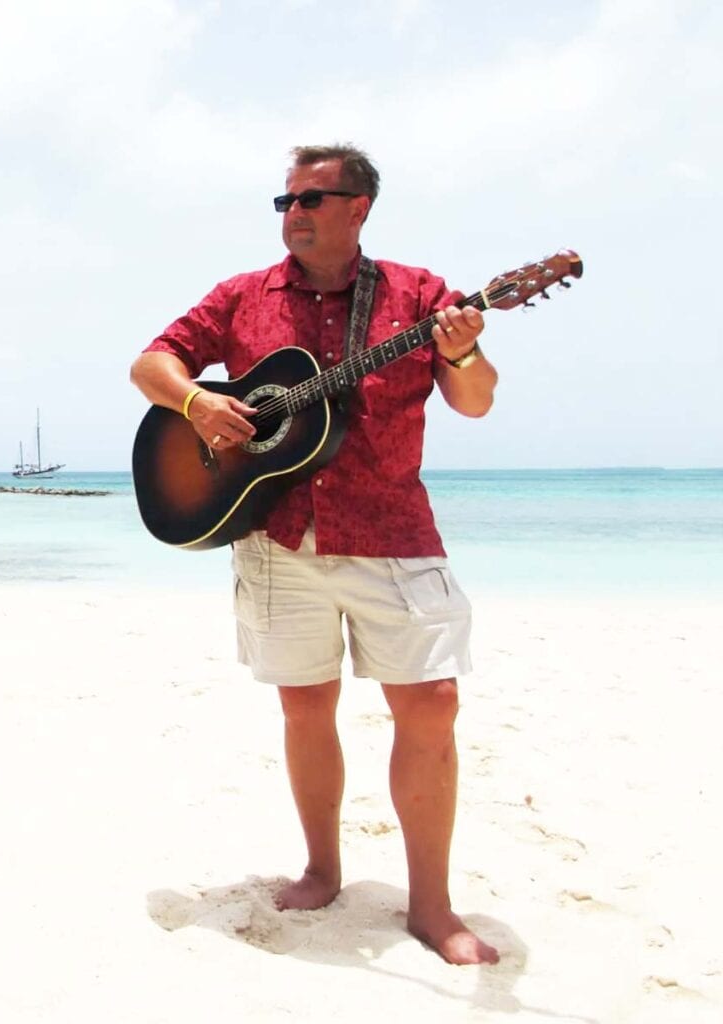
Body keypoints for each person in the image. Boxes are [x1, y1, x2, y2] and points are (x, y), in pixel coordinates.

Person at [130, 144, 500, 966]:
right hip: (275, 533)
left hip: (392, 529)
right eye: (285, 200)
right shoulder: (243, 295)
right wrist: (197, 401)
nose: (293, 212)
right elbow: (150, 363)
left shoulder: (417, 295)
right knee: (304, 706)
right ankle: (323, 869)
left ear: (358, 207)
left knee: (433, 702)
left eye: (310, 198)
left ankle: (433, 907)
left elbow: (473, 402)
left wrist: (464, 349)